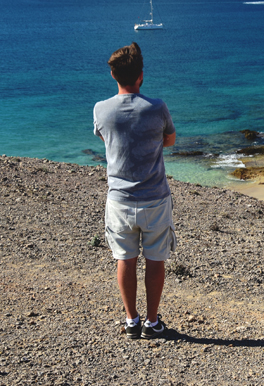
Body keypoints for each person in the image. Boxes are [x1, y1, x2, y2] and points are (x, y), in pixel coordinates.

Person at [93, 42, 177, 340]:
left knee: (124, 258)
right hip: (155, 197)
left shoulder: (101, 109)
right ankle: (152, 323)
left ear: (113, 75)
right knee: (156, 259)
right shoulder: (157, 107)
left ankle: (131, 320)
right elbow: (170, 140)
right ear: (140, 75)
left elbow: (105, 138)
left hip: (120, 200)